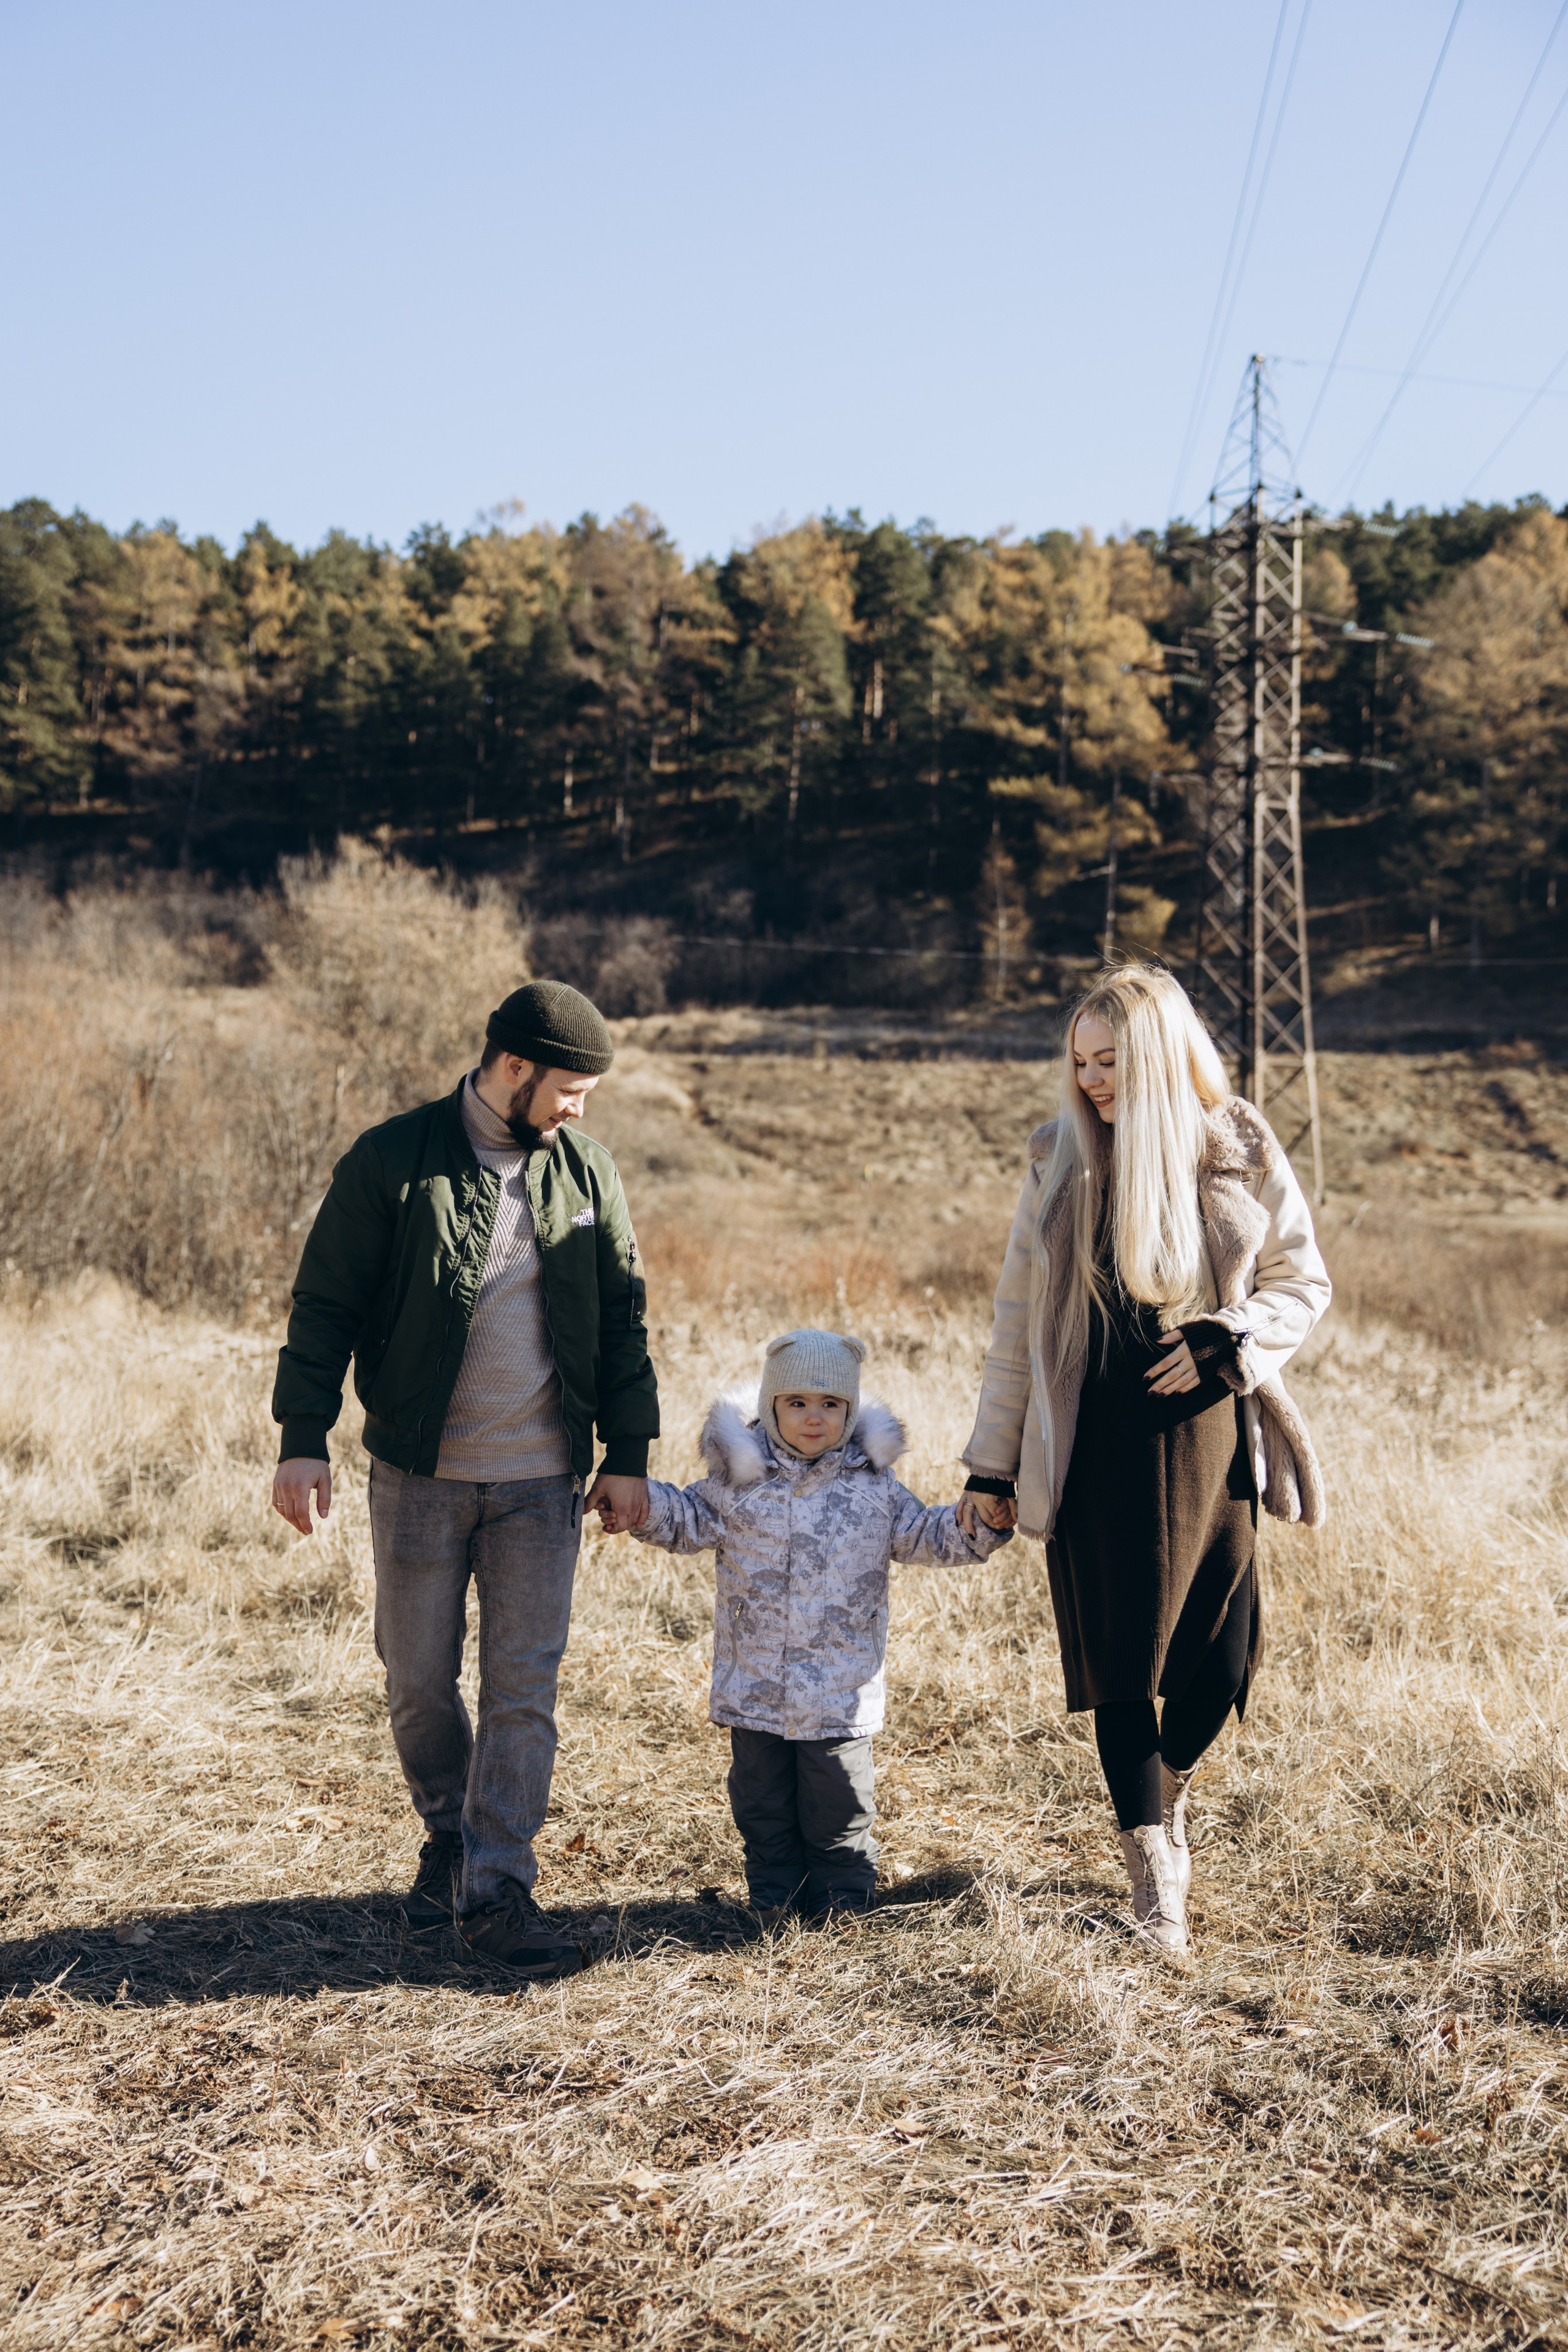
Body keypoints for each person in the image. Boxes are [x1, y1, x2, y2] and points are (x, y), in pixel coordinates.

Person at [270, 979, 658, 1979]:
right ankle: (449, 1832)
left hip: (542, 1486)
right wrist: (302, 1434)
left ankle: (497, 1891)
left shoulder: (586, 1174)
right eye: (570, 1089)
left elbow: (624, 1322)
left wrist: (630, 1456)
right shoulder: (393, 1160)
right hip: (418, 1475)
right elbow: (325, 1305)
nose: (579, 1111)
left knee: (522, 1689)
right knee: (416, 1681)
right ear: (516, 1068)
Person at [956, 968, 1330, 1957]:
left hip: (1209, 1436)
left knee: (1226, 1656)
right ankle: (1153, 1872)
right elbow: (1012, 1330)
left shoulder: (1238, 1143)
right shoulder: (1060, 1156)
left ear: (1159, 1053)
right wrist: (992, 1468)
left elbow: (1304, 1278)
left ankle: (1161, 1794)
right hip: (1097, 1441)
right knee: (1121, 1668)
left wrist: (1231, 1337)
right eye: (1079, 1064)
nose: (1091, 1082)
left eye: (1110, 1062)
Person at [606, 1329, 1011, 1921]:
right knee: (762, 1810)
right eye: (796, 1404)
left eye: (830, 1406)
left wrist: (978, 1522)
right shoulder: (738, 1483)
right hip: (755, 1692)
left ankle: (843, 1909)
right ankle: (774, 1907)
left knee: (839, 1812)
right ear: (771, 1406)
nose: (813, 1419)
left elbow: (929, 1534)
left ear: (850, 1412)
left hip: (837, 1700)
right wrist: (638, 1504)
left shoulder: (874, 1489)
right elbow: (686, 1517)